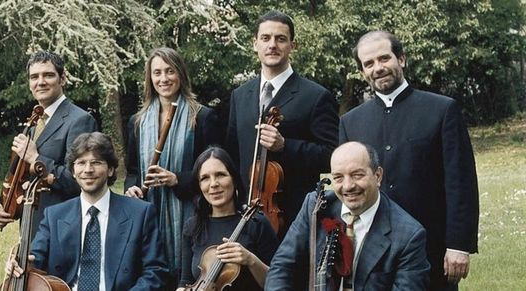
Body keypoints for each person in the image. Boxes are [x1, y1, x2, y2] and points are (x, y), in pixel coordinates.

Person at [340, 30, 479, 290]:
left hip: (432, 247)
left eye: (384, 59)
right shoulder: (350, 123)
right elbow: (347, 188)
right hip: (373, 252)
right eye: (369, 64)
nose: (378, 68)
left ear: (401, 59)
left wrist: (459, 245)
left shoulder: (442, 109)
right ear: (362, 71)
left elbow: (461, 183)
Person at [223, 11, 339, 238]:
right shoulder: (240, 95)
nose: (272, 45)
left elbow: (332, 155)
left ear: (292, 45)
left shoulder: (316, 96)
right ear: (254, 44)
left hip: (295, 218)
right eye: (265, 38)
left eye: (281, 39)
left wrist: (286, 146)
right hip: (246, 216)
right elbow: (232, 154)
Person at [6, 132, 167, 291]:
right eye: (81, 163)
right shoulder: (54, 215)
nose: (88, 170)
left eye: (96, 162)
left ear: (111, 169)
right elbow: (35, 258)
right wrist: (20, 263)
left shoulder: (140, 213)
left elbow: (155, 272)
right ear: (73, 172)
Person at [266, 142, 430, 289]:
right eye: (338, 177)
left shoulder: (409, 236)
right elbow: (282, 266)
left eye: (357, 175)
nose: (348, 186)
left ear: (378, 176)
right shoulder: (316, 206)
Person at [123, 47, 223, 275]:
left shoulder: (202, 117)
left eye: (170, 71)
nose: (164, 78)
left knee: (185, 276)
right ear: (150, 78)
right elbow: (131, 171)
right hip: (149, 213)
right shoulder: (137, 122)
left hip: (191, 215)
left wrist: (176, 178)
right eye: (157, 73)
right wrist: (132, 188)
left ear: (181, 74)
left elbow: (216, 171)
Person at [0, 51, 97, 232]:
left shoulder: (80, 120)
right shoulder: (34, 124)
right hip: (32, 229)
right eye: (34, 77)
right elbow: (19, 179)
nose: (40, 82)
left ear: (62, 79)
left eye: (48, 75)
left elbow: (80, 181)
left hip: (65, 229)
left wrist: (36, 158)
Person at [176, 147, 276, 290]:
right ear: (199, 186)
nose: (213, 184)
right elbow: (185, 281)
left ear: (234, 179)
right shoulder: (192, 226)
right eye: (205, 178)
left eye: (220, 175)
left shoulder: (257, 223)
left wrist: (251, 260)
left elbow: (279, 282)